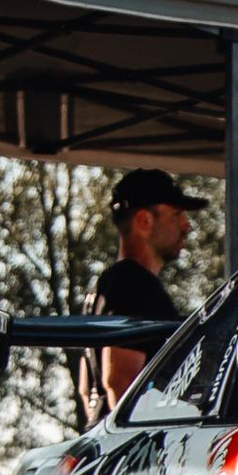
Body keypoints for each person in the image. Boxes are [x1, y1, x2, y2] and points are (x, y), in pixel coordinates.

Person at [82, 168, 199, 420]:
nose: (186, 225)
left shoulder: (104, 287)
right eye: (176, 214)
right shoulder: (133, 284)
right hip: (134, 449)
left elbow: (87, 388)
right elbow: (119, 382)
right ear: (144, 221)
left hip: (103, 440)